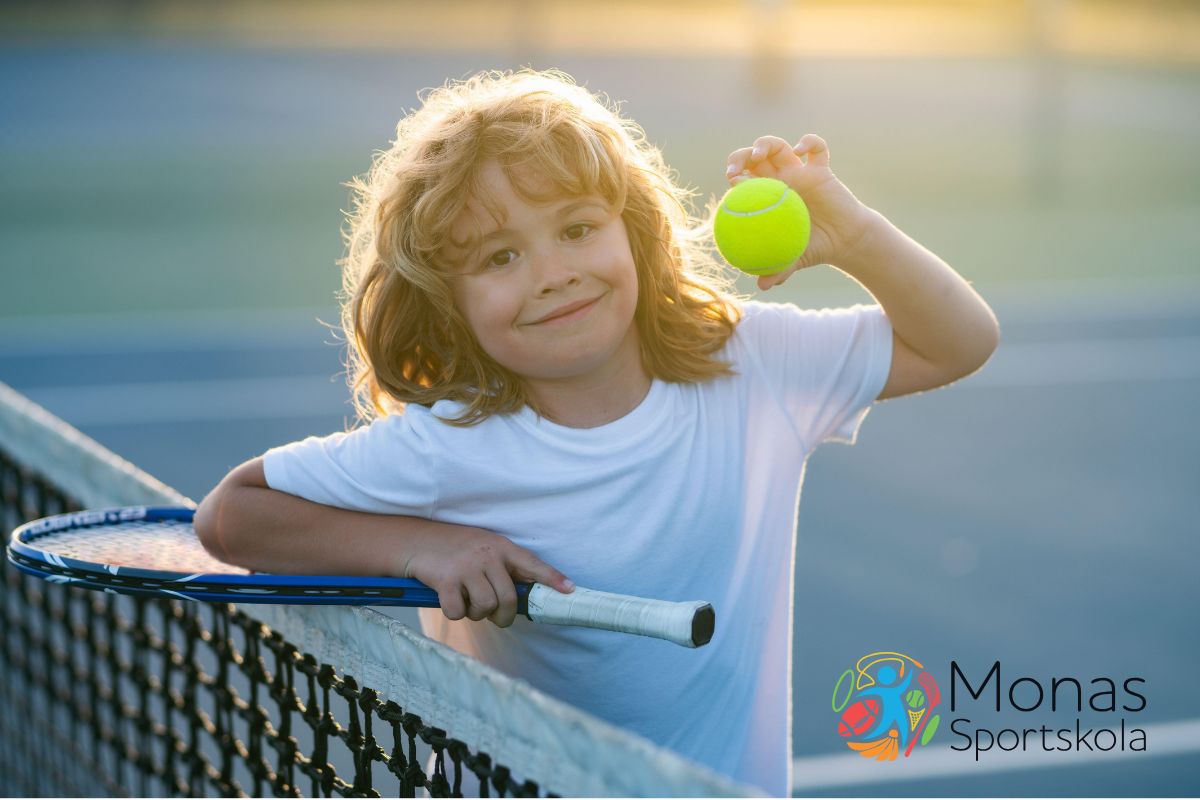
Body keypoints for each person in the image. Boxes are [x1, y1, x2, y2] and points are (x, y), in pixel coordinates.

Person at [194, 68, 999, 795]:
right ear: (450, 303)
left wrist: (852, 233)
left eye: (577, 229)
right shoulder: (453, 439)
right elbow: (232, 516)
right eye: (500, 257)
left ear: (635, 233)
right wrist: (422, 548)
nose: (553, 273)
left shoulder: (752, 364)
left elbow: (959, 340)